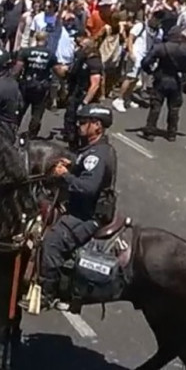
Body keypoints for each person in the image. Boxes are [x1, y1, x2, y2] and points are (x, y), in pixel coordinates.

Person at [28, 105, 117, 313]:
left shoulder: (98, 155)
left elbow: (88, 187)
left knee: (51, 242)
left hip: (87, 216)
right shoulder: (92, 150)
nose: (79, 125)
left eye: (84, 122)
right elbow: (84, 167)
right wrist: (73, 165)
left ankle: (48, 295)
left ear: (97, 126)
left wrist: (65, 176)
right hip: (79, 208)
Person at [141, 26, 186, 142]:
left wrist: (151, 72)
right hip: (177, 80)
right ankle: (171, 133)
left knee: (156, 106)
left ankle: (150, 131)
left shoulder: (160, 47)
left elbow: (145, 62)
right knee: (174, 108)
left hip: (161, 79)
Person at [61, 36, 103, 149]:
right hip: (76, 91)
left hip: (84, 95)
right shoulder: (81, 58)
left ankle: (79, 146)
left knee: (81, 121)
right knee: (69, 118)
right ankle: (71, 142)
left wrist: (85, 102)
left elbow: (95, 85)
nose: (79, 48)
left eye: (81, 47)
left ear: (88, 48)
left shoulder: (94, 63)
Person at [14, 32, 56, 139]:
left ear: (35, 39)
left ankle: (13, 129)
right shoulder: (50, 54)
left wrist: (12, 78)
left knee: (20, 109)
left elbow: (18, 68)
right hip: (41, 87)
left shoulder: (26, 52)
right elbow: (56, 70)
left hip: (27, 85)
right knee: (37, 112)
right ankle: (31, 135)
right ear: (46, 39)